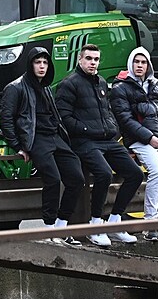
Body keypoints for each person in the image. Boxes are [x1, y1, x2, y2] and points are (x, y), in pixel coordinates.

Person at [55, 44, 143, 247]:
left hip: (107, 140)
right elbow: (63, 117)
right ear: (80, 59)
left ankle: (114, 222)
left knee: (136, 174)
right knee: (104, 174)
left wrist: (111, 127)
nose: (93, 63)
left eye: (96, 59)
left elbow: (107, 111)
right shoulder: (69, 84)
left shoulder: (101, 82)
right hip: (84, 141)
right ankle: (96, 225)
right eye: (89, 59)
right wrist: (85, 130)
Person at [0, 46, 85, 246]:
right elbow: (6, 119)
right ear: (30, 65)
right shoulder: (16, 87)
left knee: (76, 178)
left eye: (45, 63)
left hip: (54, 137)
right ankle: (48, 229)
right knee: (53, 179)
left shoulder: (46, 87)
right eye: (38, 62)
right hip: (35, 139)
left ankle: (61, 226)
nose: (42, 66)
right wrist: (17, 146)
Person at [110, 47, 158, 241]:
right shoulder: (120, 88)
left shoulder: (156, 85)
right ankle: (150, 223)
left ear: (148, 65)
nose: (140, 66)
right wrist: (149, 137)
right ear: (131, 64)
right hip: (139, 140)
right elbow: (125, 120)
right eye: (137, 62)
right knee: (157, 171)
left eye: (143, 62)